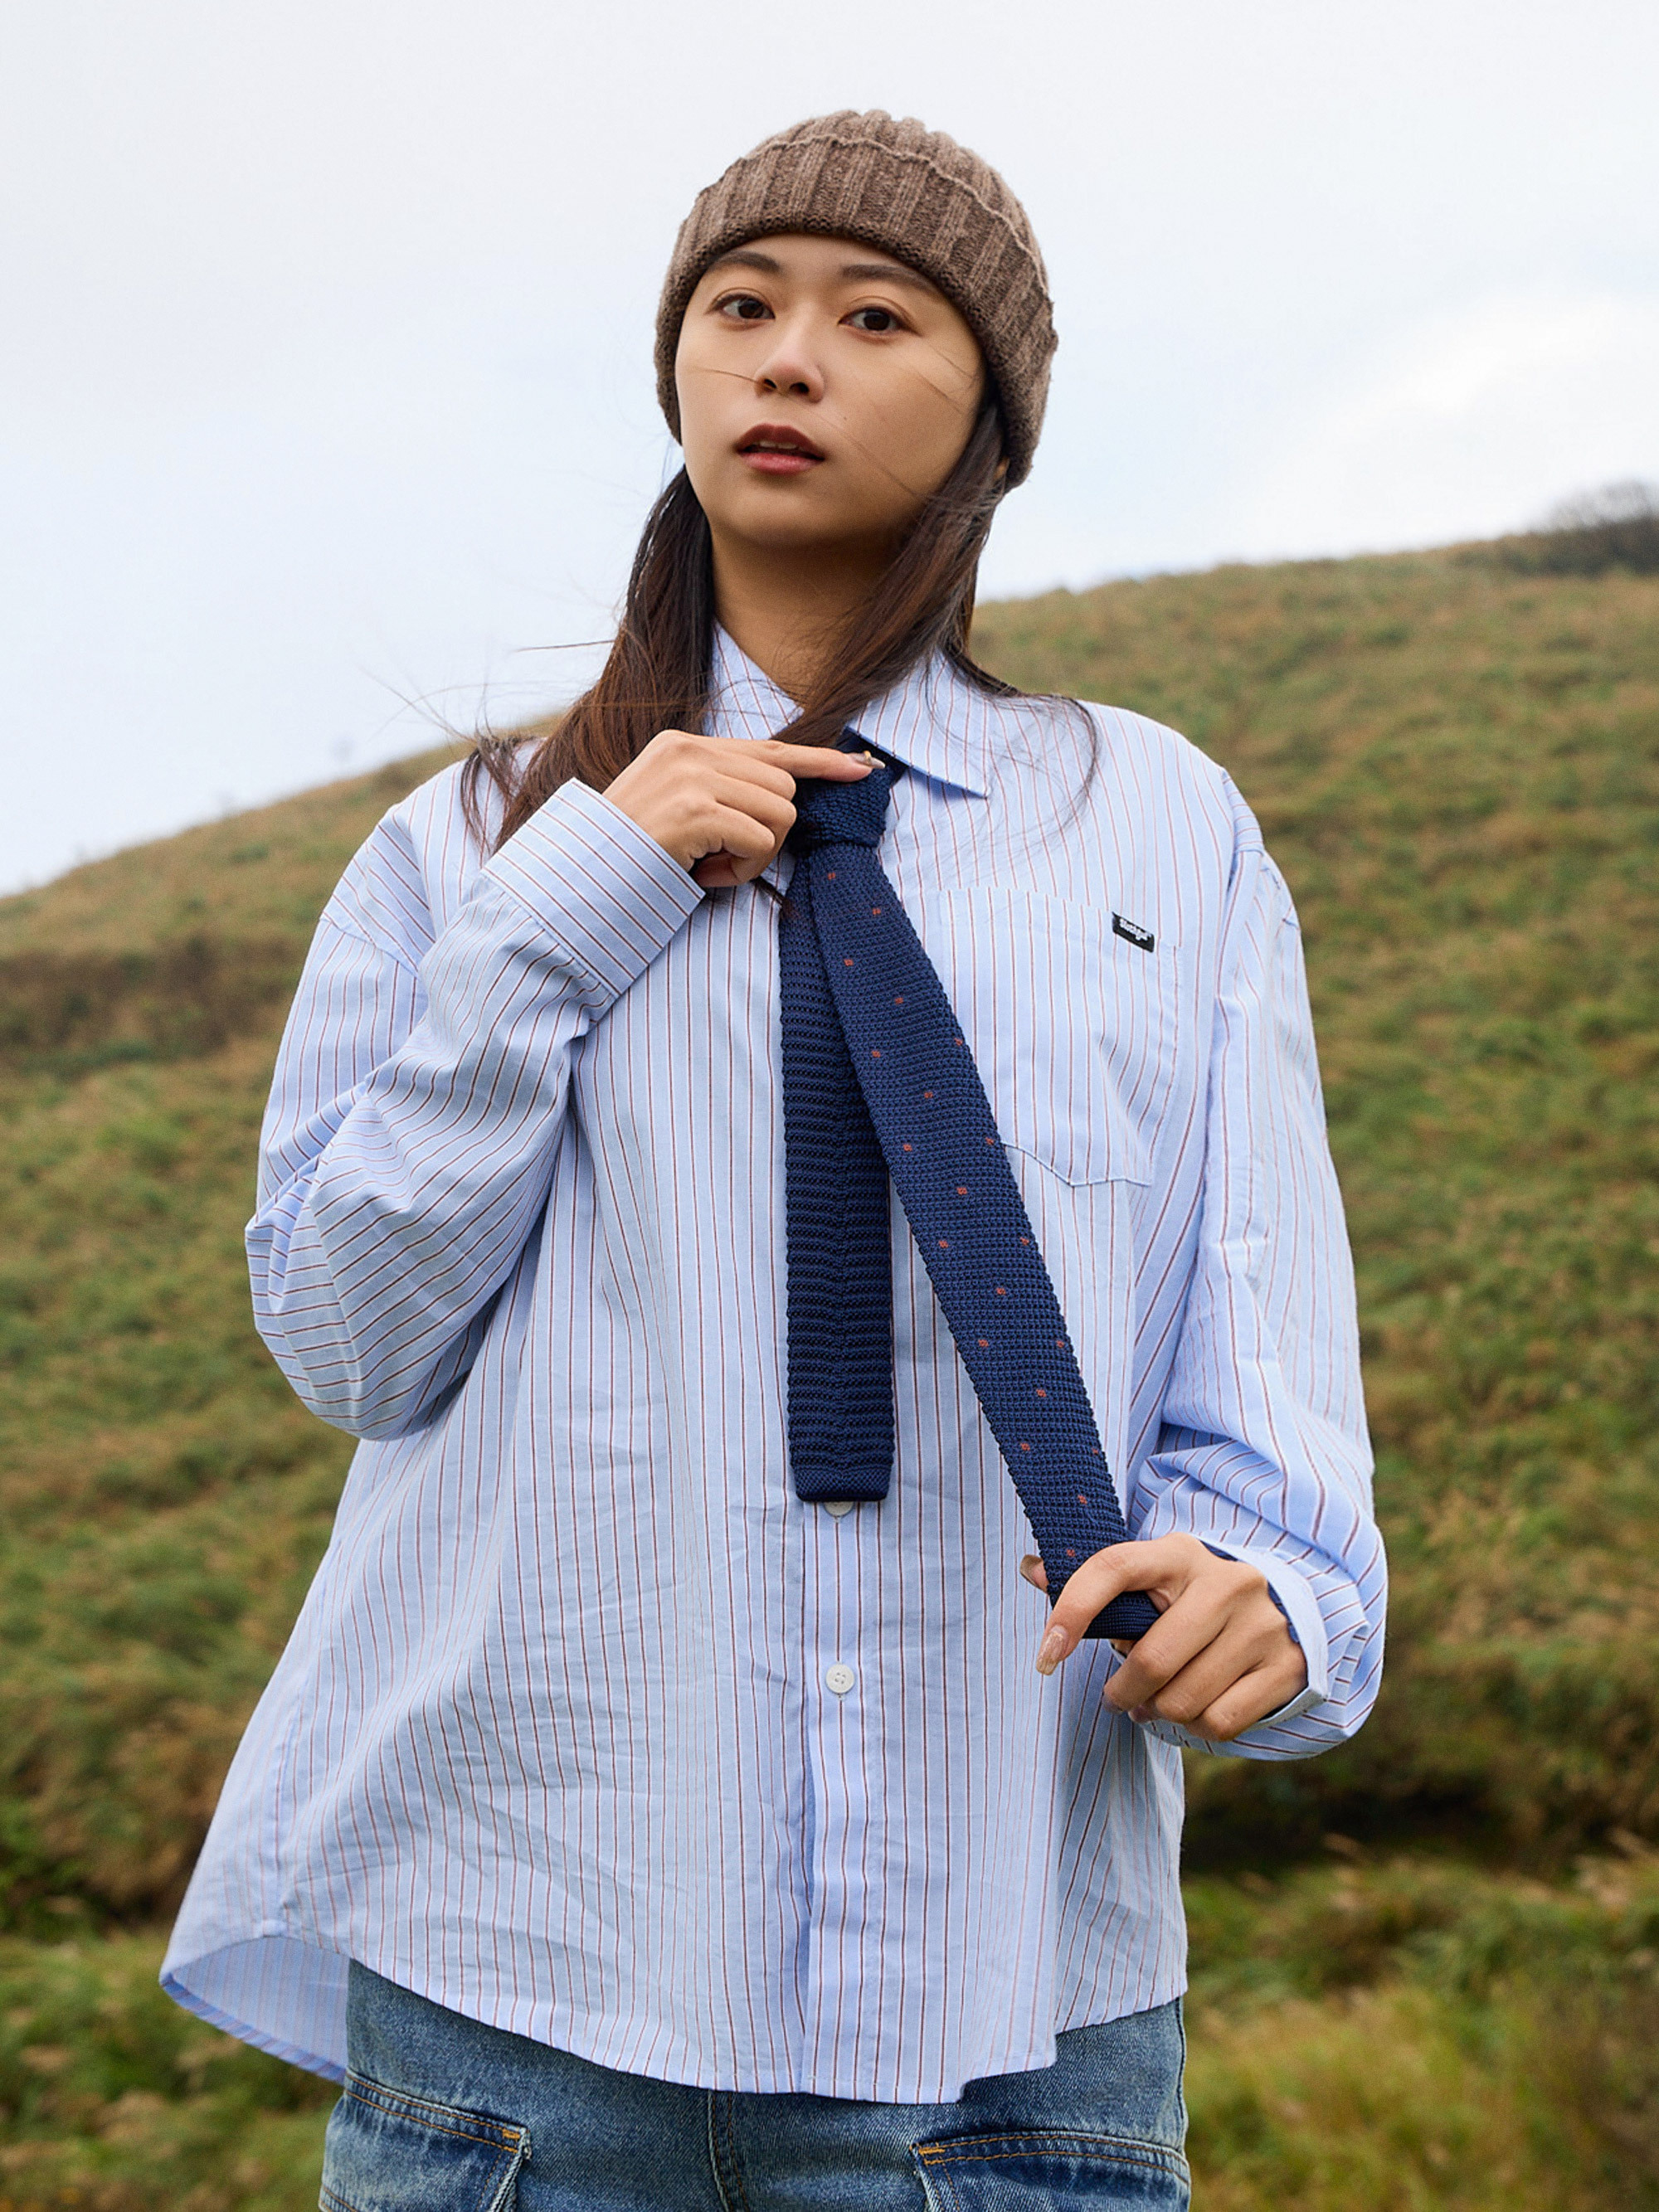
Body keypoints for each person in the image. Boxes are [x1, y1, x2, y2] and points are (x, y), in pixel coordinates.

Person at [162, 110, 1385, 2210]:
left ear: (991, 414)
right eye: (738, 307)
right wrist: (574, 900)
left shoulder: (1158, 832)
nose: (786, 356)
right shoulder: (466, 849)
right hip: (521, 2003)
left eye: (873, 315)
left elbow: (1257, 1354)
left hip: (1011, 2023)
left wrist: (1270, 1596)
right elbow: (350, 1339)